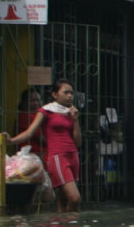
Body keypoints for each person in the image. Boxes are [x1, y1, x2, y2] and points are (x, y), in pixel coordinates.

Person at [9, 80, 83, 211]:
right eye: (66, 92)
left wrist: (75, 119)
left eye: (71, 93)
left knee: (63, 199)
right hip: (58, 157)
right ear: (54, 94)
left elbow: (77, 142)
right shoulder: (46, 111)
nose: (70, 95)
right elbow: (30, 132)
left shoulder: (70, 113)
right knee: (75, 198)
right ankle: (71, 225)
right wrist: (11, 141)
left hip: (73, 155)